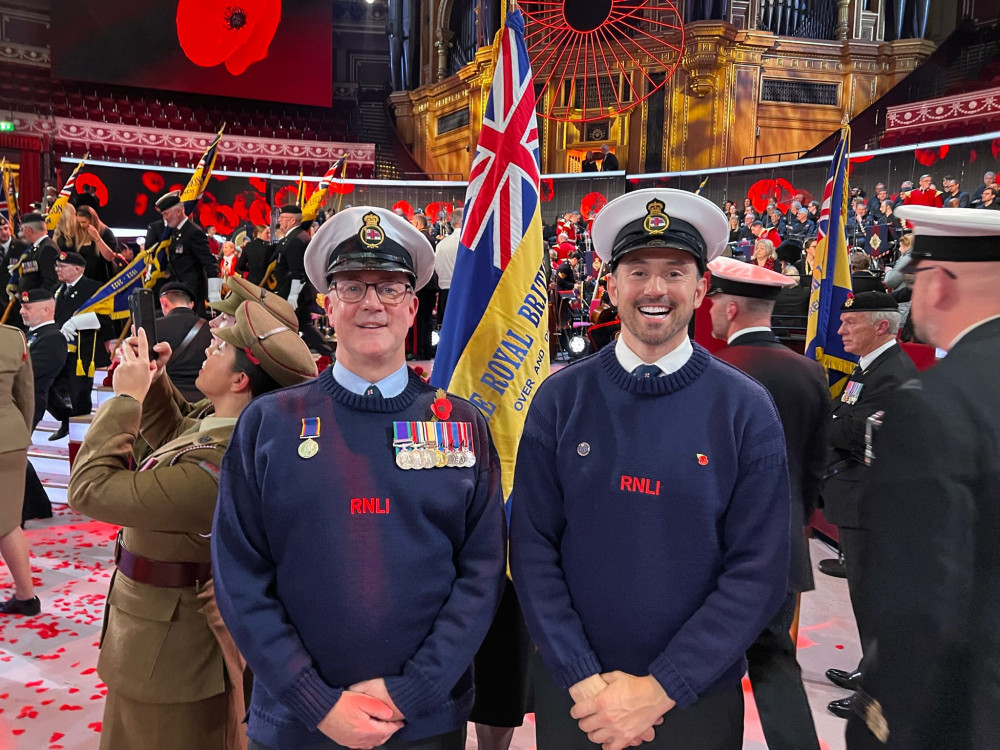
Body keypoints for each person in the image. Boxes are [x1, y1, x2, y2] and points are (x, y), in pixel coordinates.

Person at [212, 206, 506, 750]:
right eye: (352, 286)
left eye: (390, 287)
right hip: (298, 724)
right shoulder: (270, 423)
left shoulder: (462, 425)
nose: (372, 303)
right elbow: (239, 576)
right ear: (327, 306)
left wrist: (413, 691)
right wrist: (314, 700)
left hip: (424, 722)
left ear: (413, 306)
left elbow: (481, 575)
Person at [510, 189, 790, 750]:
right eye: (637, 271)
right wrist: (582, 677)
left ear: (701, 287)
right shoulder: (560, 400)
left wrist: (665, 686)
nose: (655, 290)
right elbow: (533, 546)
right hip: (578, 696)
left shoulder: (745, 408)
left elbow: (758, 569)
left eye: (674, 272)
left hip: (695, 699)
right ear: (611, 286)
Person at [68, 302, 316, 750]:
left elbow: (89, 488)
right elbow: (180, 432)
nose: (206, 348)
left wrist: (125, 399)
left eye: (219, 346)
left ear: (241, 380)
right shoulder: (225, 423)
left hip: (173, 651)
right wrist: (157, 380)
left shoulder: (222, 467)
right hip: (156, 631)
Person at [845, 206, 1000, 749]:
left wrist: (884, 722)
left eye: (915, 280)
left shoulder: (935, 403)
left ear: (940, 285)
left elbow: (919, 602)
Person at [707, 257, 828, 750]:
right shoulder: (810, 372)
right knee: (776, 662)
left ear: (731, 308)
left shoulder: (716, 373)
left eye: (714, 301)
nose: (710, 310)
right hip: (784, 546)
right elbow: (815, 468)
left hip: (721, 550)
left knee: (708, 667)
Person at [820, 292, 917, 720]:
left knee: (876, 603)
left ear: (881, 326)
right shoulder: (869, 367)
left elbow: (864, 434)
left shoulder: (893, 372)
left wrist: (832, 424)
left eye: (850, 323)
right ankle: (869, 670)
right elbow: (847, 415)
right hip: (855, 497)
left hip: (873, 504)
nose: (840, 330)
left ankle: (878, 693)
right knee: (864, 600)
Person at [49, 251, 109, 440]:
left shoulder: (94, 288)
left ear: (78, 269)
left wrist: (77, 322)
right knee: (44, 386)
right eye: (57, 266)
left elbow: (105, 317)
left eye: (62, 266)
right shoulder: (56, 289)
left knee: (79, 393)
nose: (58, 269)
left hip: (83, 350)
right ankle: (66, 419)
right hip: (58, 347)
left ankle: (82, 434)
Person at [0, 323, 39, 615]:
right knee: (8, 522)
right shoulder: (14, 337)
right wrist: (21, 436)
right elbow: (26, 395)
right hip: (10, 437)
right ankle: (26, 596)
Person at [19, 289, 66, 523]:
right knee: (15, 455)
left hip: (27, 405)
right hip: (17, 403)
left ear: (46, 310)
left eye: (27, 307)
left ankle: (30, 507)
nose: (21, 311)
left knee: (13, 455)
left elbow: (30, 373)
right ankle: (36, 505)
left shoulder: (53, 338)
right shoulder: (30, 335)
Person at [156, 191, 221, 314]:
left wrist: (214, 295)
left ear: (178, 211)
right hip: (179, 292)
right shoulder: (175, 232)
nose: (164, 218)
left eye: (166, 214)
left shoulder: (193, 232)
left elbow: (210, 262)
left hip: (193, 294)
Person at [156, 282, 214, 401]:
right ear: (191, 304)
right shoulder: (211, 329)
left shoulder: (153, 328)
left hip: (167, 400)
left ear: (163, 302)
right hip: (204, 401)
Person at [73, 205, 122, 283]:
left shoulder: (106, 233)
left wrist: (97, 238)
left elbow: (110, 257)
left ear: (92, 220)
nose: (81, 225)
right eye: (79, 222)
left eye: (84, 222)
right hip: (83, 279)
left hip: (101, 278)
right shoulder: (79, 233)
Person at [272, 205, 310, 301]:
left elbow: (297, 271)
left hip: (290, 291)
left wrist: (293, 294)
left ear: (292, 220)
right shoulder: (296, 236)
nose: (279, 220)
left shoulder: (295, 239)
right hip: (289, 289)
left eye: (282, 217)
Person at [16, 212, 59, 293]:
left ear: (29, 230)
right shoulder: (37, 247)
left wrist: (39, 300)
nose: (21, 234)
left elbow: (50, 281)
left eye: (22, 230)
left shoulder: (47, 248)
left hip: (39, 301)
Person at [434, 208, 461, 326]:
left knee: (447, 328)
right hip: (463, 292)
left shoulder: (441, 245)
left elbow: (436, 268)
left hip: (445, 292)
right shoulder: (466, 243)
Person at [0, 217, 27, 298]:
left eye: (5, 228)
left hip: (15, 294)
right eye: (0, 230)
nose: (4, 232)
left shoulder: (22, 247)